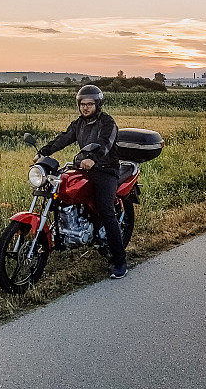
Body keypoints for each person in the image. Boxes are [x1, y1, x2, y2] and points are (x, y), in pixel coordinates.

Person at [36, 84, 128, 279]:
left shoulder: (107, 122)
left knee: (106, 211)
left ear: (98, 104)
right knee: (61, 195)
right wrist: (44, 152)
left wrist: (93, 159)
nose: (85, 108)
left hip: (106, 170)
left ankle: (120, 262)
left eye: (90, 104)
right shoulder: (78, 124)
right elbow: (63, 139)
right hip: (84, 168)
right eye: (82, 104)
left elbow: (105, 143)